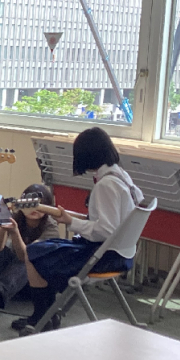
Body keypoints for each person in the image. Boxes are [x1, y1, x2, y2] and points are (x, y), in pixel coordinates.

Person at [14, 128, 143, 331]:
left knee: (34, 252)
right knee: (45, 247)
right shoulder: (122, 177)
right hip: (123, 254)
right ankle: (48, 316)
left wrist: (71, 223)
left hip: (103, 256)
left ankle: (41, 318)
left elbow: (106, 230)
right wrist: (71, 219)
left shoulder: (106, 185)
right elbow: (113, 221)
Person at [0, 184, 59, 321]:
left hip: (34, 281)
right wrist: (3, 226)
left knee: (28, 259)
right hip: (13, 272)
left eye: (39, 205)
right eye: (30, 204)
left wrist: (15, 232)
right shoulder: (18, 217)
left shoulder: (50, 227)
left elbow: (25, 256)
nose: (34, 209)